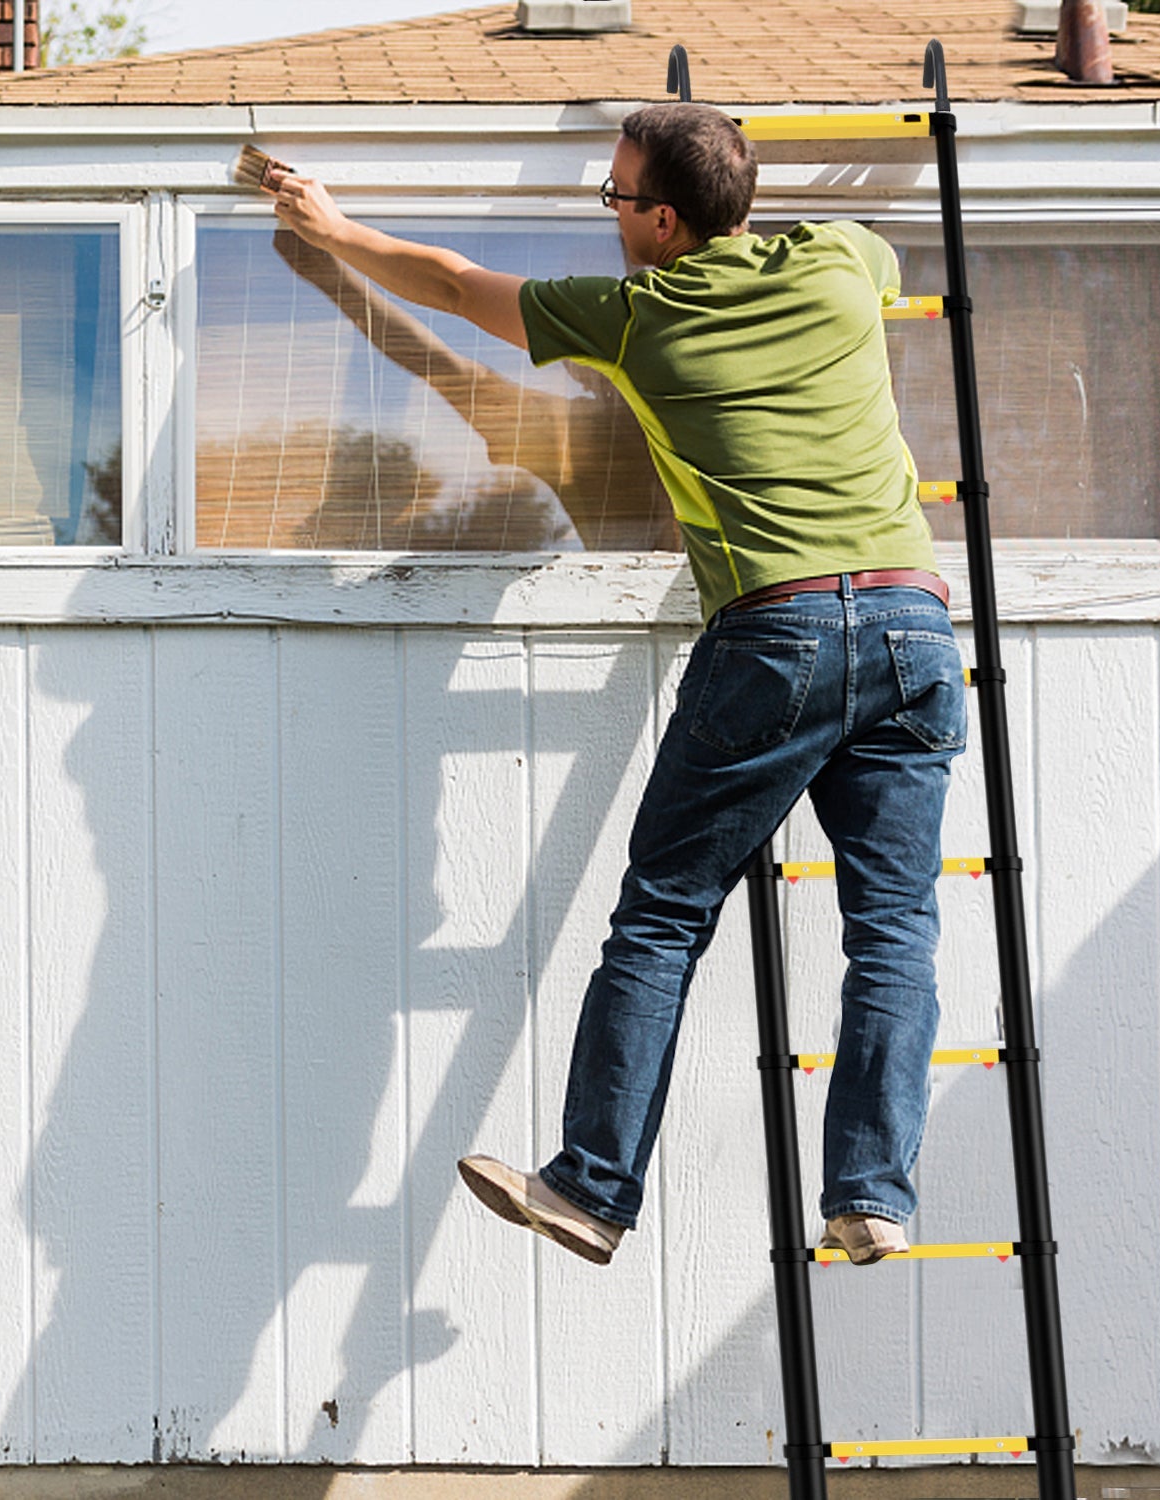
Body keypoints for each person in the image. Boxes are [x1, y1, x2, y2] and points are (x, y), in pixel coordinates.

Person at [269, 102, 967, 1269]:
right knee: (893, 928)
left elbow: (445, 289)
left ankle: (591, 1188)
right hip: (914, 622)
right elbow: (863, 250)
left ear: (660, 220)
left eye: (614, 196)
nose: (606, 214)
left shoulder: (638, 317)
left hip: (779, 631)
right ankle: (873, 1194)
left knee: (663, 914)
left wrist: (331, 228)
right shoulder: (845, 262)